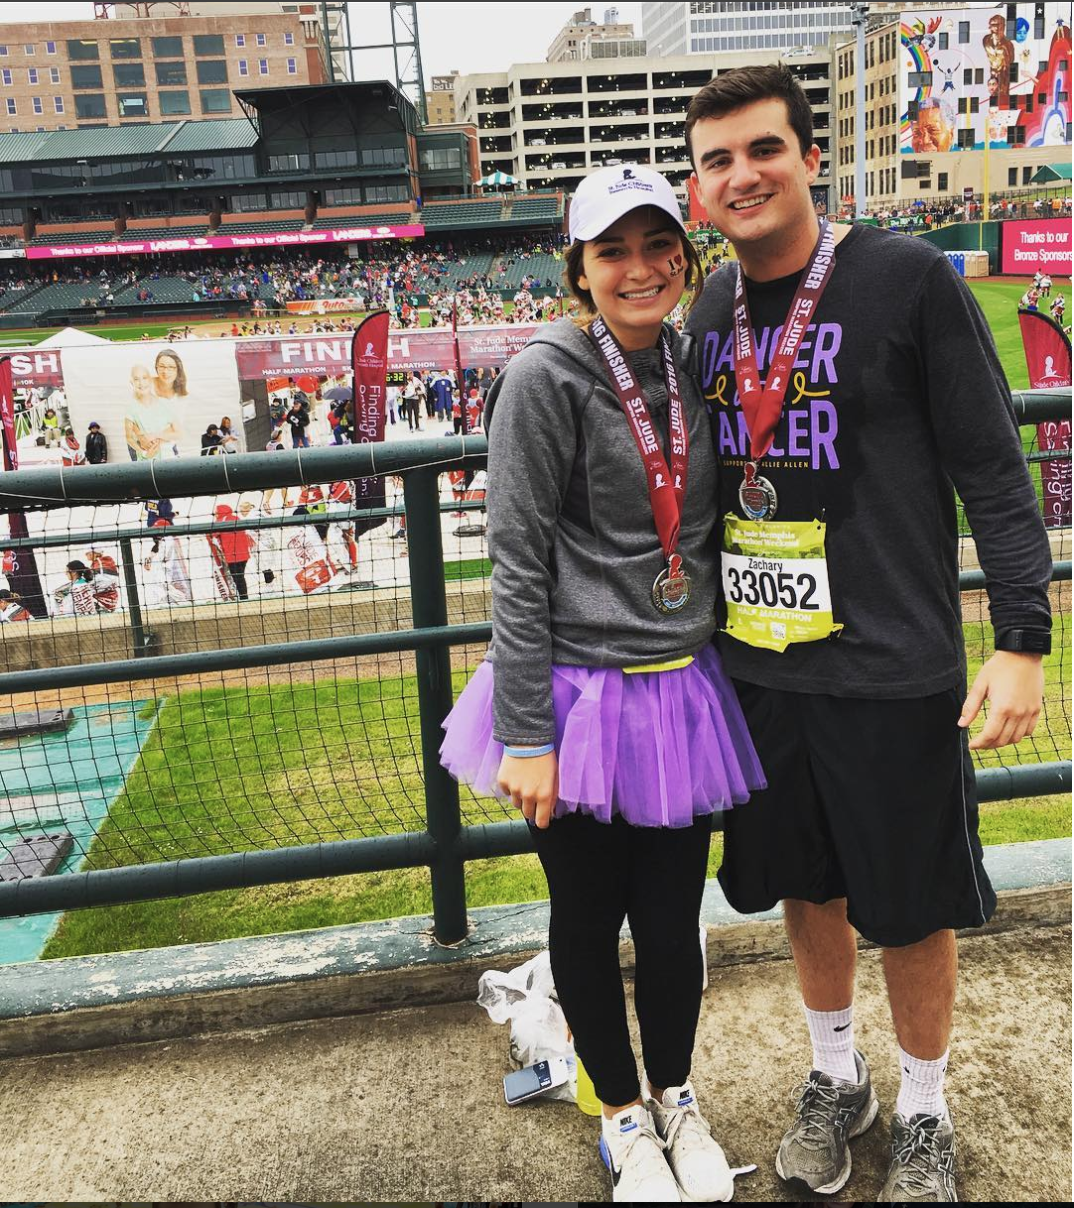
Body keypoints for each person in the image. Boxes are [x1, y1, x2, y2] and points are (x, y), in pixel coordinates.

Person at [683, 64, 1052, 1203]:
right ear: (700, 188)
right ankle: (835, 1072)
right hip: (761, 663)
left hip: (895, 662)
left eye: (762, 149)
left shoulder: (903, 281)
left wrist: (1022, 636)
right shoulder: (708, 308)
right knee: (807, 882)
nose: (741, 175)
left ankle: (927, 1103)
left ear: (810, 157)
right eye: (717, 160)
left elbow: (994, 466)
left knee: (912, 899)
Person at [440, 164, 766, 1204]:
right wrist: (529, 733)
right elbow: (516, 562)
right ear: (575, 267)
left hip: (677, 689)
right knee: (585, 916)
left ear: (684, 253)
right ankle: (620, 1116)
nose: (638, 267)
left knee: (673, 922)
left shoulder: (691, 357)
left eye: (655, 244)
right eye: (611, 250)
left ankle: (675, 1096)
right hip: (574, 698)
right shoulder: (545, 375)